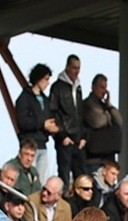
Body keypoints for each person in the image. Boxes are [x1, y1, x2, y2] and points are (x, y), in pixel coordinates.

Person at [49, 54, 86, 186]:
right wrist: (62, 136)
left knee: (82, 178)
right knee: (64, 178)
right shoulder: (57, 87)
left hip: (78, 141)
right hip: (65, 140)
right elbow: (53, 112)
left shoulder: (78, 88)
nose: (77, 71)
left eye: (79, 68)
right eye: (74, 68)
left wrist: (83, 137)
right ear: (67, 67)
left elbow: (81, 114)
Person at [16, 63, 57, 179]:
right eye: (46, 79)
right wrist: (42, 124)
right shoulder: (24, 98)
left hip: (43, 144)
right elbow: (22, 121)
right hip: (29, 144)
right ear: (38, 78)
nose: (48, 83)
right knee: (28, 178)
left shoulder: (46, 100)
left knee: (41, 180)